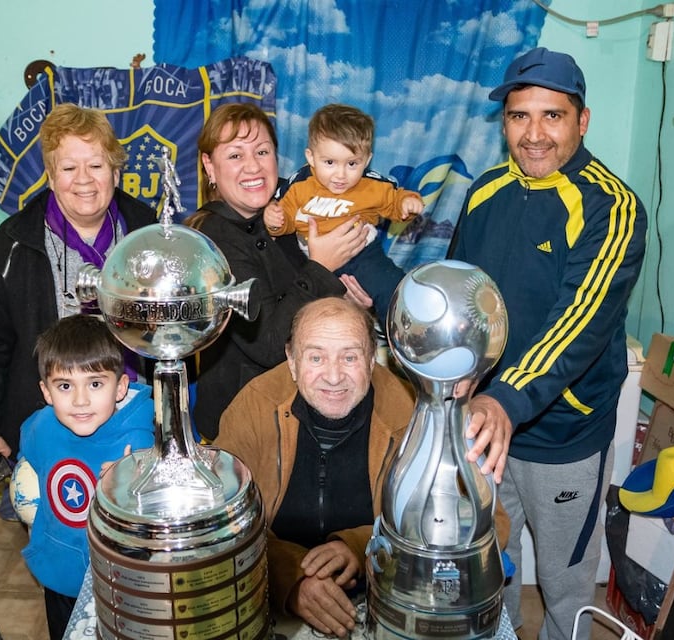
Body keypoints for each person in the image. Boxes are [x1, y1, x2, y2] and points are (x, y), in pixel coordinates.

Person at [450, 47, 647, 640]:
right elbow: (462, 293)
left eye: (552, 116)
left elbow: (578, 320)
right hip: (484, 428)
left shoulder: (611, 207)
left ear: (582, 120)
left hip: (564, 434)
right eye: (518, 116)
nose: (533, 135)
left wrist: (504, 399)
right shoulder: (485, 190)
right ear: (503, 121)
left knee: (564, 587)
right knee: (492, 568)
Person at [215, 297, 511, 637]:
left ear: (372, 360)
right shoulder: (254, 406)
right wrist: (288, 577)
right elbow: (221, 529)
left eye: (350, 356)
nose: (333, 375)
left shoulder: (416, 413)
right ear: (292, 361)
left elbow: (487, 526)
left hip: (383, 597)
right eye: (315, 357)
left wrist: (366, 547)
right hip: (269, 594)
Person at [0, 103, 157, 517]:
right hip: (48, 427)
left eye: (96, 165)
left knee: (137, 552)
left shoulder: (149, 231)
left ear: (115, 173)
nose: (83, 180)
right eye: (68, 168)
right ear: (50, 177)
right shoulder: (14, 242)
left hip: (133, 424)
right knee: (59, 553)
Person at [185, 102, 373, 441]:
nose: (253, 166)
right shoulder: (210, 241)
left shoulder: (289, 215)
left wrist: (347, 301)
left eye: (262, 151)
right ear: (209, 166)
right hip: (244, 428)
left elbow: (310, 302)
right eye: (235, 156)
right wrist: (320, 267)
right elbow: (269, 343)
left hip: (304, 418)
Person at [14, 314, 154, 640]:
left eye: (95, 383)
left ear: (120, 387)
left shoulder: (139, 443)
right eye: (65, 386)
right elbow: (28, 450)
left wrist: (138, 480)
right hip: (59, 577)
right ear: (46, 392)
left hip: (120, 586)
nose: (80, 400)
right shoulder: (40, 426)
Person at [264, 103, 424, 324]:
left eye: (352, 164)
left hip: (362, 256)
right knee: (313, 321)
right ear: (311, 157)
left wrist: (408, 203)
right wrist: (274, 221)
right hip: (315, 264)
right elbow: (286, 221)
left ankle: (407, 339)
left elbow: (395, 200)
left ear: (366, 160)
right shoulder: (299, 187)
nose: (340, 174)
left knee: (396, 290)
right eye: (329, 162)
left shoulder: (371, 185)